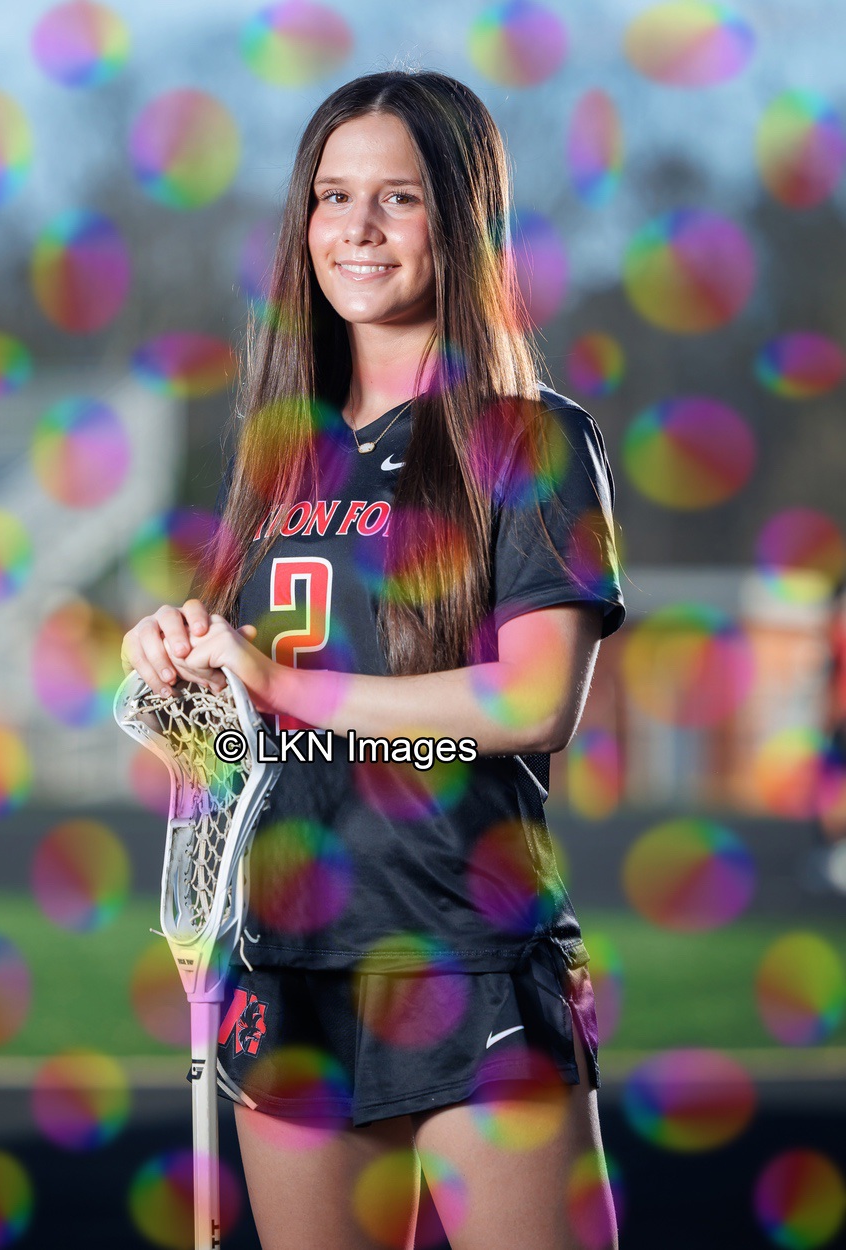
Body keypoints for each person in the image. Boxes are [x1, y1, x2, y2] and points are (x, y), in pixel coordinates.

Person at [121, 69, 624, 1250]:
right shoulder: (276, 451)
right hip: (286, 961)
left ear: (462, 220)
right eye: (332, 195)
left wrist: (286, 685)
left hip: (465, 952)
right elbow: (239, 724)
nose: (356, 228)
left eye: (397, 197)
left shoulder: (530, 437)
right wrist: (178, 661)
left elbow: (534, 698)